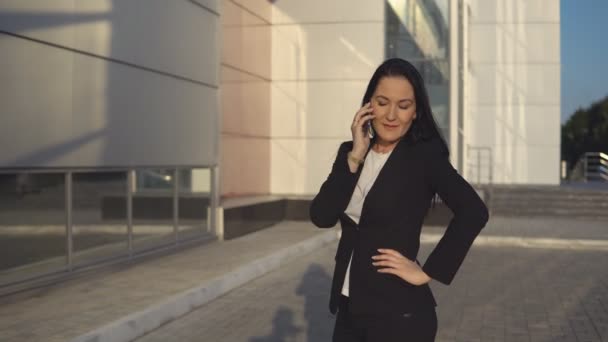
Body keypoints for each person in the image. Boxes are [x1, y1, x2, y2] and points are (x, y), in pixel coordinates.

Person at [309, 58, 489, 341]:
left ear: (416, 112)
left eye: (403, 106)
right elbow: (322, 216)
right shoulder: (353, 152)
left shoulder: (424, 156)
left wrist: (427, 272)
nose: (391, 115)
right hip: (349, 308)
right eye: (382, 102)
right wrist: (354, 157)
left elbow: (474, 211)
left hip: (399, 315)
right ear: (369, 105)